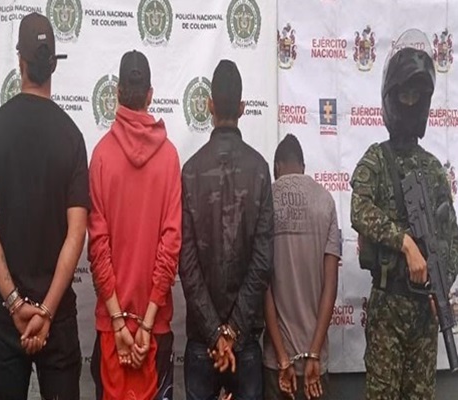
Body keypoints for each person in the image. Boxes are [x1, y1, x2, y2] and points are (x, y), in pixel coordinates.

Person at [0, 12, 89, 400]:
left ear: (19, 61)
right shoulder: (71, 137)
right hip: (58, 315)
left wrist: (15, 303)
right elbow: (77, 233)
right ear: (53, 64)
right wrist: (47, 311)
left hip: (11, 316)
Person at [350, 29, 458, 399]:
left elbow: (451, 238)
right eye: (405, 94)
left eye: (417, 96)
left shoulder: (433, 169)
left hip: (424, 312)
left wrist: (443, 284)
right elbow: (359, 209)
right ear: (391, 98)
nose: (410, 103)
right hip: (388, 308)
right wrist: (406, 243)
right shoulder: (377, 159)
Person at [88, 49, 181, 400]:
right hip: (153, 328)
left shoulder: (100, 156)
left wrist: (117, 320)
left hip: (113, 327)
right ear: (150, 95)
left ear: (117, 93)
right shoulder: (169, 157)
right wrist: (146, 321)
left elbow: (98, 248)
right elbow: (171, 245)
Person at [179, 59, 274, 400]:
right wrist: (232, 332)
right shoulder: (260, 169)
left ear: (209, 106)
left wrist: (215, 332)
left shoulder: (191, 171)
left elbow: (186, 263)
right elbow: (262, 261)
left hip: (202, 340)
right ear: (243, 107)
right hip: (244, 340)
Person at [263, 134, 340, 400]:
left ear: (276, 167)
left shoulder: (265, 201)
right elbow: (331, 286)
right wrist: (314, 352)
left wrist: (282, 357)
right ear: (303, 166)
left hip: (277, 363)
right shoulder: (326, 202)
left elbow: (263, 287)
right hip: (315, 365)